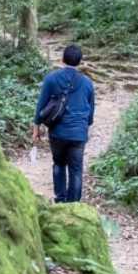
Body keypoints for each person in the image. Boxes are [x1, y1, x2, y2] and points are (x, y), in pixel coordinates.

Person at [33, 44, 95, 203]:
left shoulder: (51, 78)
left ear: (62, 59)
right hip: (78, 133)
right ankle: (74, 204)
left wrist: (36, 128)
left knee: (59, 164)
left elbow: (41, 105)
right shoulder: (87, 83)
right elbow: (90, 111)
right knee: (76, 169)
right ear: (80, 62)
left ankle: (60, 200)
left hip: (58, 131)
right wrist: (85, 128)